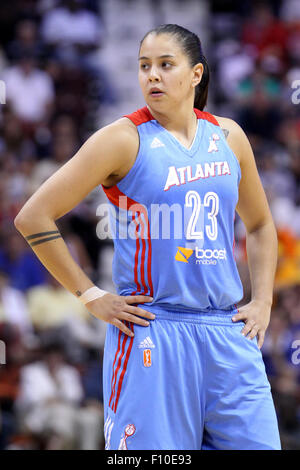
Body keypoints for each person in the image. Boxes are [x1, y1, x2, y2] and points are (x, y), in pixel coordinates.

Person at [14, 24, 281, 450]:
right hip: (153, 330)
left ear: (196, 74)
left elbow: (262, 225)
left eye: (164, 65)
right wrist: (89, 295)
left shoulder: (230, 136)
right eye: (144, 67)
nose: (151, 75)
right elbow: (33, 216)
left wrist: (264, 300)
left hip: (227, 333)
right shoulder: (122, 139)